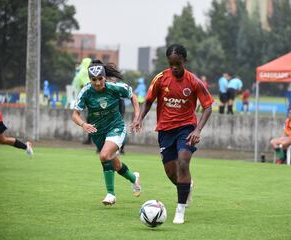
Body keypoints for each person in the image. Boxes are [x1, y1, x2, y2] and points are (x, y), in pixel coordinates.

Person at [134, 44, 213, 224]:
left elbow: (208, 106)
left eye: (178, 64)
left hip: (186, 128)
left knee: (183, 161)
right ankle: (187, 186)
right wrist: (139, 118)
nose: (174, 67)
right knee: (172, 173)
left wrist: (197, 129)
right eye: (171, 64)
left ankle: (180, 211)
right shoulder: (161, 79)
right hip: (165, 131)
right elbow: (148, 101)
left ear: (184, 61)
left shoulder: (194, 82)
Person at [72, 60, 141, 205]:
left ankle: (111, 194)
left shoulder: (115, 88)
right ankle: (134, 179)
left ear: (105, 77)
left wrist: (137, 116)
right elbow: (75, 114)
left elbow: (133, 96)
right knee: (114, 164)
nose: (97, 83)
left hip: (116, 127)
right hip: (97, 132)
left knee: (104, 155)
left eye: (100, 79)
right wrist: (83, 124)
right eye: (93, 80)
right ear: (90, 79)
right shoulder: (85, 92)